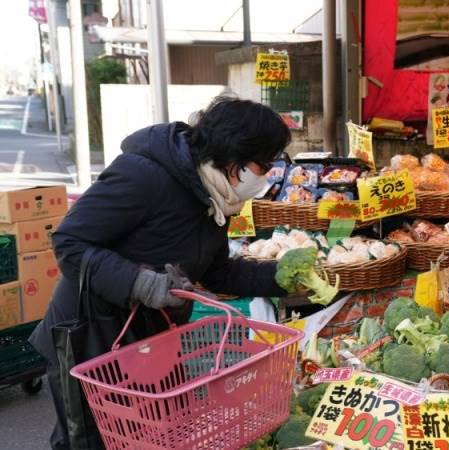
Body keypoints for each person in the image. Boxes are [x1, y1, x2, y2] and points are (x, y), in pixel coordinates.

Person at [29, 97, 292, 450]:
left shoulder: (215, 196)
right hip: (92, 337)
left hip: (154, 337)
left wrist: (285, 276)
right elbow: (69, 242)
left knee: (163, 434)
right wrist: (140, 281)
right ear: (235, 158)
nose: (268, 174)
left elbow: (217, 272)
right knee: (94, 442)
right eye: (265, 164)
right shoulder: (144, 174)